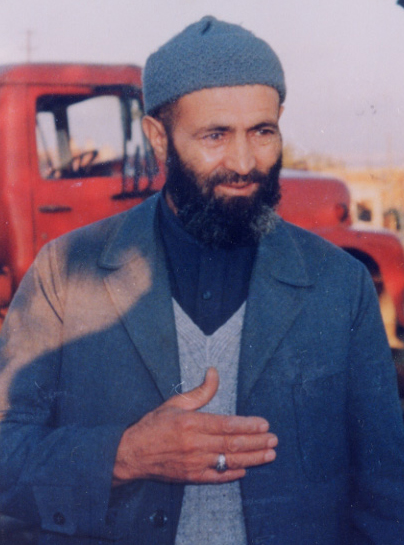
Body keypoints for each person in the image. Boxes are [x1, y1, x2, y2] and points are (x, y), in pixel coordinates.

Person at [0, 16, 404, 545]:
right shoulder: (63, 274)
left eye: (262, 132)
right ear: (158, 139)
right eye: (215, 135)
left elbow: (387, 496)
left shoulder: (341, 285)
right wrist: (124, 455)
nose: (244, 162)